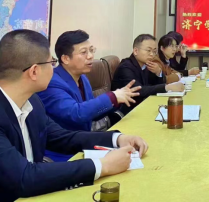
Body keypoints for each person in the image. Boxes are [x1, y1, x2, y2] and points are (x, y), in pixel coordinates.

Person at [0, 30, 149, 202]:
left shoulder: (31, 101)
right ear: (34, 71)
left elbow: (62, 137)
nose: (54, 68)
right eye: (51, 62)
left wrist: (116, 139)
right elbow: (24, 177)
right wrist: (102, 165)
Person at [38, 30, 141, 161]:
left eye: (91, 50)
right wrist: (112, 97)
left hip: (84, 145)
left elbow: (91, 114)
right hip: (62, 154)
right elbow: (76, 113)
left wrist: (117, 101)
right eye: (84, 52)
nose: (91, 56)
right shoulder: (52, 82)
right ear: (65, 58)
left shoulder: (82, 78)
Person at [111, 34, 184, 115]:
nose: (152, 54)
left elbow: (154, 84)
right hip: (125, 112)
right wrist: (167, 87)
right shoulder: (126, 67)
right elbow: (138, 91)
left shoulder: (146, 65)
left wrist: (158, 72)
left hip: (141, 106)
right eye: (148, 50)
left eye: (154, 51)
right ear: (136, 51)